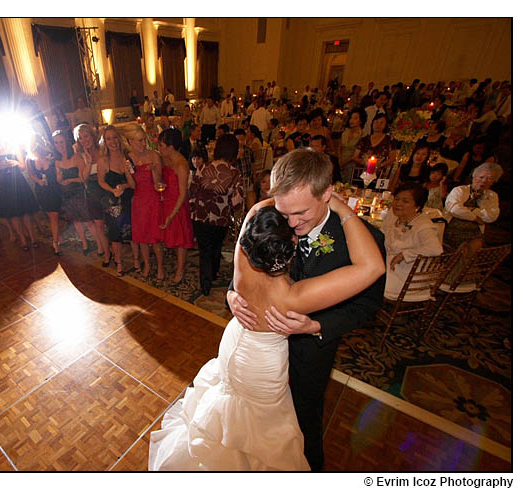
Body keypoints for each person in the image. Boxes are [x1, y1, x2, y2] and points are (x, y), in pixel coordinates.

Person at [150, 190, 385, 470]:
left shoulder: (242, 258)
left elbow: (257, 208)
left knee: (232, 412)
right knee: (262, 429)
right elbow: (372, 266)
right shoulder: (293, 297)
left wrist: (285, 196)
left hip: (235, 340)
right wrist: (338, 206)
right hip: (263, 364)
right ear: (292, 243)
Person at [226, 149, 386, 470]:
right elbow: (251, 253)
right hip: (259, 353)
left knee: (304, 420)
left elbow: (366, 306)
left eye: (300, 213)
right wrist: (232, 294)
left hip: (310, 352)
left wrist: (316, 327)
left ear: (327, 193)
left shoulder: (365, 239)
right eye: (284, 212)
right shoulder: (270, 215)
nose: (291, 223)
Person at [189, 134, 244, 296]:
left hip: (200, 216)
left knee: (204, 249)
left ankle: (205, 284)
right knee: (216, 246)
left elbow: (192, 191)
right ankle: (213, 273)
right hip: (221, 218)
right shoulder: (235, 173)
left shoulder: (203, 167)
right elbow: (237, 201)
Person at [381, 183, 443, 300]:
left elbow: (436, 249)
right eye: (397, 199)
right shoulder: (393, 214)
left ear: (417, 206)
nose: (398, 204)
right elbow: (383, 233)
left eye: (405, 201)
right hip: (389, 262)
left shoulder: (423, 226)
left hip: (408, 274)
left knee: (367, 278)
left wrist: (405, 255)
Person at [124, 125, 165, 279]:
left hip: (153, 199)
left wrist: (154, 170)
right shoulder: (128, 158)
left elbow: (158, 183)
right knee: (141, 237)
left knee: (154, 237)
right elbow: (133, 186)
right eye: (140, 141)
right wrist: (127, 172)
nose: (143, 144)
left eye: (144, 140)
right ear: (130, 142)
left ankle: (160, 267)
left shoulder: (154, 155)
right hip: (139, 200)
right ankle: (147, 264)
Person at [0, 136, 40, 251]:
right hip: (3, 185)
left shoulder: (13, 145)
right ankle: (22, 239)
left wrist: (14, 162)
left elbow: (22, 166)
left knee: (25, 211)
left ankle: (32, 237)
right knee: (12, 213)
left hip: (17, 182)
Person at [158, 128, 195, 284]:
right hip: (166, 200)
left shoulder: (181, 164)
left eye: (161, 145)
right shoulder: (166, 159)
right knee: (171, 236)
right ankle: (179, 264)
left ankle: (180, 270)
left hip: (178, 205)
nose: (159, 149)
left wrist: (172, 214)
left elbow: (182, 194)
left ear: (170, 147)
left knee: (180, 239)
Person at [98, 125, 136, 277]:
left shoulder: (127, 157)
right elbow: (101, 181)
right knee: (115, 234)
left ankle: (136, 261)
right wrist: (112, 190)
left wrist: (123, 186)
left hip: (128, 199)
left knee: (132, 232)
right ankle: (119, 262)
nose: (112, 141)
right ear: (105, 142)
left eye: (114, 137)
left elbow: (133, 184)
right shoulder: (103, 160)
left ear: (119, 139)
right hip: (112, 201)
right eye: (108, 139)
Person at [443, 162, 502, 259]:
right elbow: (454, 209)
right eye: (481, 177)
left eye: (489, 178)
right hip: (452, 230)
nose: (484, 181)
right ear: (474, 177)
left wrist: (473, 209)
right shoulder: (459, 190)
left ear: (493, 181)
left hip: (475, 233)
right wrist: (476, 218)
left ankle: (460, 270)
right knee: (463, 251)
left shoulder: (492, 196)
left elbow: (492, 216)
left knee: (474, 247)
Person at [54, 130, 96, 255]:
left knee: (88, 222)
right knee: (76, 221)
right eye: (56, 143)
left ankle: (100, 246)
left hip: (79, 192)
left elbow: (83, 178)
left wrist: (70, 180)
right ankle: (84, 244)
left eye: (61, 142)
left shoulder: (76, 156)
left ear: (66, 142)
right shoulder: (57, 161)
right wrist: (60, 179)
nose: (59, 146)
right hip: (67, 194)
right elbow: (59, 180)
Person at [74, 124, 109, 261]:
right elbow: (83, 178)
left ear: (92, 136)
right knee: (99, 226)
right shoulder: (80, 155)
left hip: (107, 189)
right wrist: (88, 163)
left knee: (112, 224)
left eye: (86, 136)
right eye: (80, 138)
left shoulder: (103, 150)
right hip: (93, 193)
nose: (84, 140)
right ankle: (107, 254)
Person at [28, 141, 63, 255]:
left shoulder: (51, 156)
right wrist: (38, 181)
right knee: (50, 215)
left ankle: (55, 242)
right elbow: (31, 174)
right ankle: (56, 236)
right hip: (42, 191)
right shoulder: (30, 159)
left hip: (54, 189)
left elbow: (58, 169)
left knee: (54, 215)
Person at [351, 113, 396, 187]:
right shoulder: (364, 140)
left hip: (380, 174)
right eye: (376, 122)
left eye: (381, 123)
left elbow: (392, 158)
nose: (378, 125)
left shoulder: (389, 140)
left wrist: (379, 165)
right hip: (362, 173)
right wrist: (366, 162)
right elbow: (355, 157)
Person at [338, 108, 366, 183]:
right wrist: (340, 160)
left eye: (355, 118)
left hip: (352, 164)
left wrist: (344, 162)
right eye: (351, 118)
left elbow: (357, 154)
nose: (352, 120)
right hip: (341, 161)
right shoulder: (345, 132)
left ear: (361, 121)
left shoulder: (362, 135)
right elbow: (339, 147)